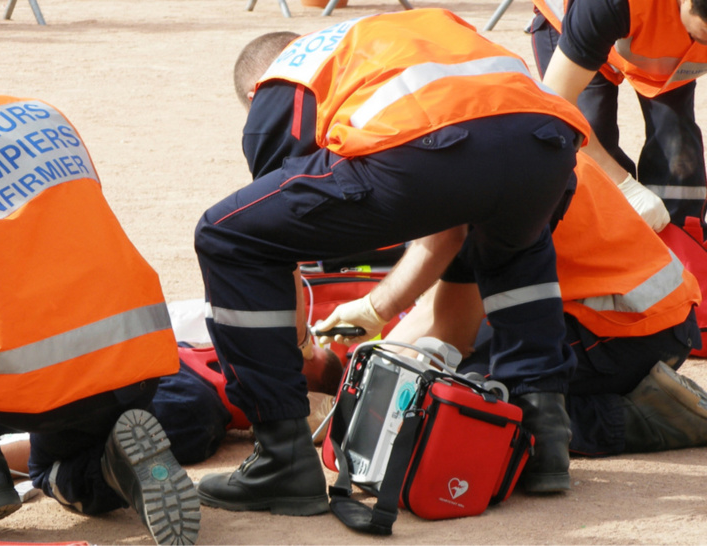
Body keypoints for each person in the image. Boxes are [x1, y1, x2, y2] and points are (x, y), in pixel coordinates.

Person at [194, 6, 590, 511]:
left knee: (227, 236)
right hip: (548, 146)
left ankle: (281, 459)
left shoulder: (287, 76)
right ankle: (544, 436)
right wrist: (377, 308)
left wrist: (297, 352)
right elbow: (452, 227)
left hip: (425, 153)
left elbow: (276, 247)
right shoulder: (401, 37)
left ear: (254, 94)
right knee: (515, 248)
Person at [0, 89, 200, 544]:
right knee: (56, 463)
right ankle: (123, 467)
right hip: (133, 357)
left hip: (20, 375)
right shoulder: (35, 112)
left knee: (47, 470)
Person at [373, 151, 707, 458]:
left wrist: (372, 395)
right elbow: (441, 303)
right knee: (443, 380)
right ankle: (632, 396)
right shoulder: (513, 141)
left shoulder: (480, 184)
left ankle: (641, 420)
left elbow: (449, 328)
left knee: (456, 401)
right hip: (628, 315)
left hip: (634, 330)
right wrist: (377, 360)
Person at [528, 0, 707, 234]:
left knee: (678, 150)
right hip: (574, 24)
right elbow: (559, 104)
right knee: (590, 143)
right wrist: (624, 185)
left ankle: (681, 245)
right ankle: (614, 244)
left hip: (656, 38)